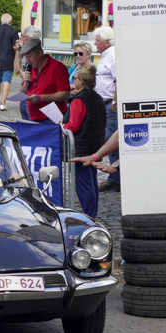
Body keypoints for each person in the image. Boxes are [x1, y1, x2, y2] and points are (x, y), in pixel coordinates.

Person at [63, 63, 105, 218]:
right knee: (92, 183)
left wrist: (61, 127)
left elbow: (73, 126)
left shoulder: (79, 100)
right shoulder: (98, 97)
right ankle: (92, 214)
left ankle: (89, 216)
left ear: (81, 80)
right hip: (95, 146)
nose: (72, 80)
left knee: (84, 185)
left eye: (74, 78)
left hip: (80, 148)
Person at [92, 26, 119, 191]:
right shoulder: (106, 55)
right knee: (109, 138)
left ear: (107, 42)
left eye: (97, 40)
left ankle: (116, 179)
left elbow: (119, 79)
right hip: (105, 104)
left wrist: (115, 101)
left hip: (111, 104)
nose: (95, 43)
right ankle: (116, 177)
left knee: (112, 140)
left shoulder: (113, 55)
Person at [19, 39, 70, 122]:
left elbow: (65, 94)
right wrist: (25, 83)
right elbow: (22, 93)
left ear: (39, 53)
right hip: (33, 117)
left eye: (29, 56)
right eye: (25, 57)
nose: (27, 60)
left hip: (52, 119)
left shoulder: (57, 67)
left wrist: (41, 98)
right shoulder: (31, 68)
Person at [0, 13, 19, 111]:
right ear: (11, 22)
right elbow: (15, 47)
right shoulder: (13, 31)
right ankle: (3, 103)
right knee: (6, 80)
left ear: (0, 21)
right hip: (9, 59)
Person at [15, 25, 41, 119]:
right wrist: (17, 51)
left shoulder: (39, 55)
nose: (20, 39)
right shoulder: (25, 52)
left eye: (23, 36)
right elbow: (16, 70)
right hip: (24, 94)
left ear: (31, 39)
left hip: (33, 96)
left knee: (32, 123)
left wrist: (23, 73)